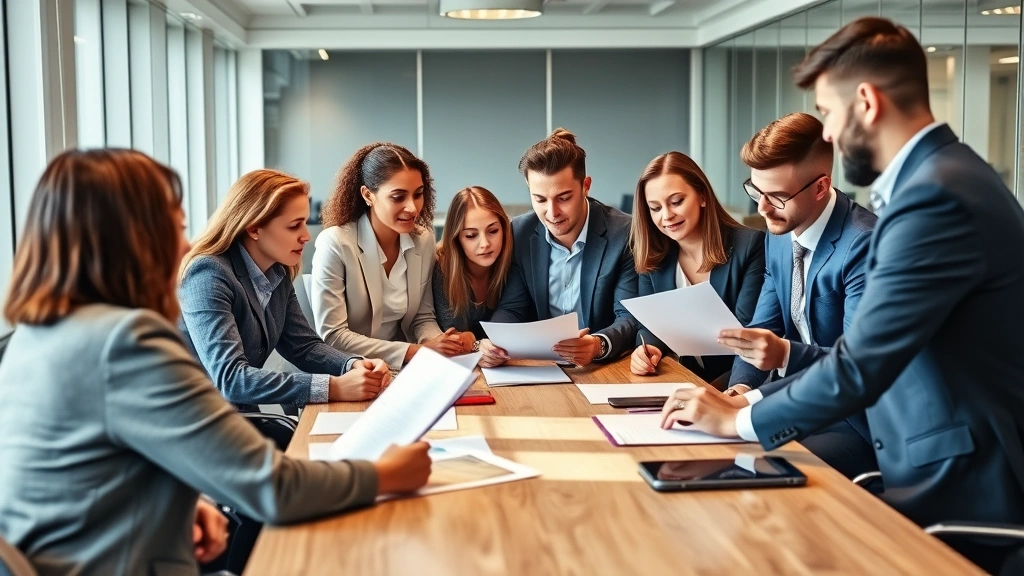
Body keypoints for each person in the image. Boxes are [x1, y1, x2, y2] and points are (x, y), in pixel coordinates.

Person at [659, 17, 1024, 572]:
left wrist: (738, 421)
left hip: (959, 481)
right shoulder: (942, 179)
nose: (827, 133)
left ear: (866, 102)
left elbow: (861, 364)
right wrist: (743, 400)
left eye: (828, 111)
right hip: (920, 459)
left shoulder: (934, 198)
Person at [0, 149, 431, 576]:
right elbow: (274, 488)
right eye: (176, 227)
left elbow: (94, 468)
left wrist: (187, 502)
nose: (186, 245)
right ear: (132, 238)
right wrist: (384, 474)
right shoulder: (125, 340)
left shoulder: (38, 335)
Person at [715, 113, 878, 479]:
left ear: (821, 187)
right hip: (797, 399)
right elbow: (763, 327)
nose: (762, 208)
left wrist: (784, 355)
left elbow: (859, 366)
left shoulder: (864, 245)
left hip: (857, 420)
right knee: (716, 449)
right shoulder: (779, 233)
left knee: (749, 468)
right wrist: (740, 390)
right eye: (756, 191)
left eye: (777, 196)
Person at [179, 169, 391, 415]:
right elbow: (232, 378)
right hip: (195, 421)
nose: (306, 236)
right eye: (294, 226)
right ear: (254, 229)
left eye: (305, 223)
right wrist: (333, 387)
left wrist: (352, 365)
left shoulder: (276, 272)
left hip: (236, 418)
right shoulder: (207, 274)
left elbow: (303, 346)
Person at [478, 128, 639, 368]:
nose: (552, 213)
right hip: (543, 366)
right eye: (540, 199)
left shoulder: (624, 233)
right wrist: (494, 342)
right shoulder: (519, 233)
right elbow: (513, 308)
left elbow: (628, 317)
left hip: (604, 367)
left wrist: (598, 345)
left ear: (586, 186)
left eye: (563, 198)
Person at [312, 143, 464, 368]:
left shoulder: (423, 240)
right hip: (354, 369)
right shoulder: (335, 243)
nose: (412, 208)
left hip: (407, 367)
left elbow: (422, 317)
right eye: (398, 197)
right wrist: (415, 351)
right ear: (368, 195)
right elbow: (333, 335)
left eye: (418, 194)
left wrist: (439, 344)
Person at [627, 151, 765, 385]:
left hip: (738, 381)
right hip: (684, 380)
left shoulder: (750, 246)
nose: (666, 216)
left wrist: (715, 393)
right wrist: (648, 349)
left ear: (702, 196)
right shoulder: (654, 257)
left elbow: (749, 334)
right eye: (655, 208)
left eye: (676, 202)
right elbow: (651, 326)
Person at [432, 186, 513, 351]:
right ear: (456, 238)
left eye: (493, 231)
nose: (485, 244)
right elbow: (454, 337)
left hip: (502, 358)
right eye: (471, 235)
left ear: (504, 229)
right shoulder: (440, 267)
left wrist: (473, 340)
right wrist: (475, 344)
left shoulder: (513, 263)